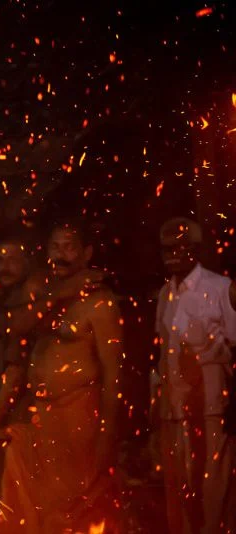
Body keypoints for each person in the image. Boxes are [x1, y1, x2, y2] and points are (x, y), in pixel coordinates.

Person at [0, 220, 123, 533]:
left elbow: (113, 374)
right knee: (35, 507)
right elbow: (18, 327)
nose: (61, 254)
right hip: (41, 417)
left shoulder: (100, 302)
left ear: (85, 253)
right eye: (55, 246)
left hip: (79, 414)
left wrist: (106, 433)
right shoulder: (43, 295)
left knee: (74, 505)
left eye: (69, 247)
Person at [153, 216, 236, 534]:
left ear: (195, 250)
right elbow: (160, 354)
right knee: (181, 489)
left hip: (212, 411)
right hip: (175, 412)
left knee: (213, 489)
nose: (172, 254)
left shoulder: (219, 288)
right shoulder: (165, 294)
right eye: (167, 249)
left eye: (180, 248)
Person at [0, 237, 42, 435]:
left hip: (27, 411)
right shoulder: (12, 300)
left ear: (27, 262)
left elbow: (15, 370)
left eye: (12, 260)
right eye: (1, 261)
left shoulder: (29, 300)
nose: (5, 267)